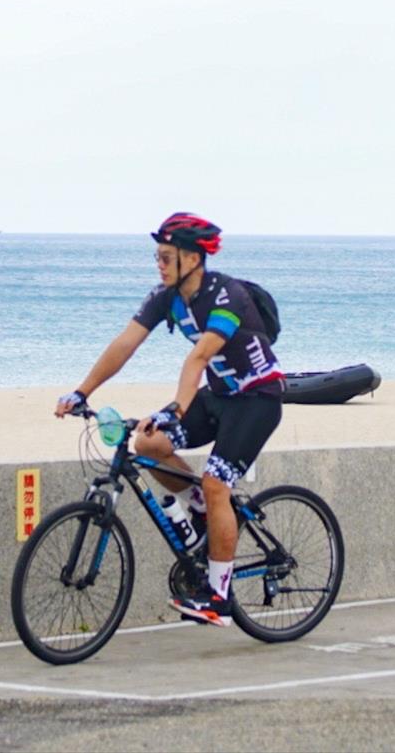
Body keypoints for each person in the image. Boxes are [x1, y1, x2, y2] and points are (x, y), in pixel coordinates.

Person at [54, 212, 284, 626]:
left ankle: (219, 597)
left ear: (192, 259)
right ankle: (202, 510)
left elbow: (198, 357)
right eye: (156, 257)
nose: (158, 265)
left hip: (257, 400)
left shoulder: (228, 296)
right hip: (218, 395)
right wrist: (82, 391)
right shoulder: (167, 297)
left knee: (216, 483)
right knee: (149, 443)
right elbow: (125, 343)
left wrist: (176, 409)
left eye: (166, 257)